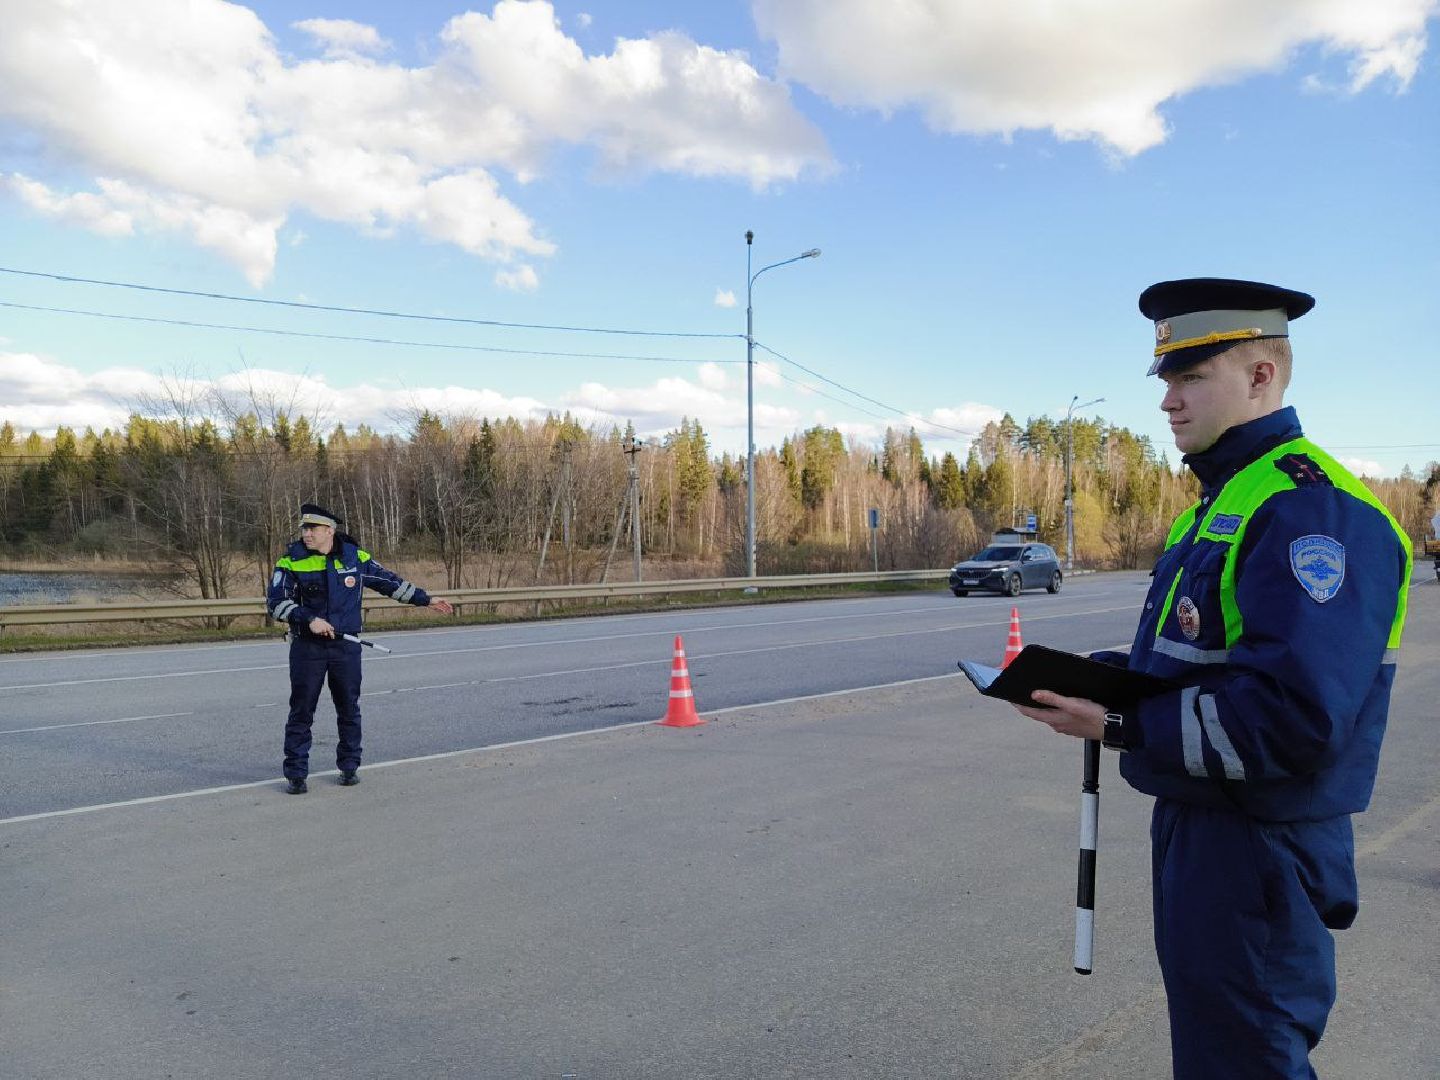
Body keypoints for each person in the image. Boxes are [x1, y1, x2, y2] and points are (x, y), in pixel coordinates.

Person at [1015, 278, 1412, 1079]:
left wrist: (1121, 725)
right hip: (1207, 826)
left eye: (1192, 377)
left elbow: (1294, 718)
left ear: (1262, 377)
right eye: (1166, 380)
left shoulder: (1309, 512)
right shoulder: (1218, 503)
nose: (1169, 400)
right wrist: (1112, 681)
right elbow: (1211, 664)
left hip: (1260, 843)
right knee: (1217, 1049)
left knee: (1248, 1056)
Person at [266, 502, 454, 793]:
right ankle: (296, 773)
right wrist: (309, 619)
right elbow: (276, 603)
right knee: (302, 711)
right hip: (308, 648)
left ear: (329, 530)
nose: (306, 534)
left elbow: (390, 583)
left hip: (346, 648)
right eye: (304, 528)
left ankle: (349, 767)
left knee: (349, 709)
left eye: (312, 528)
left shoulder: (355, 557)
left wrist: (425, 599)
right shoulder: (291, 560)